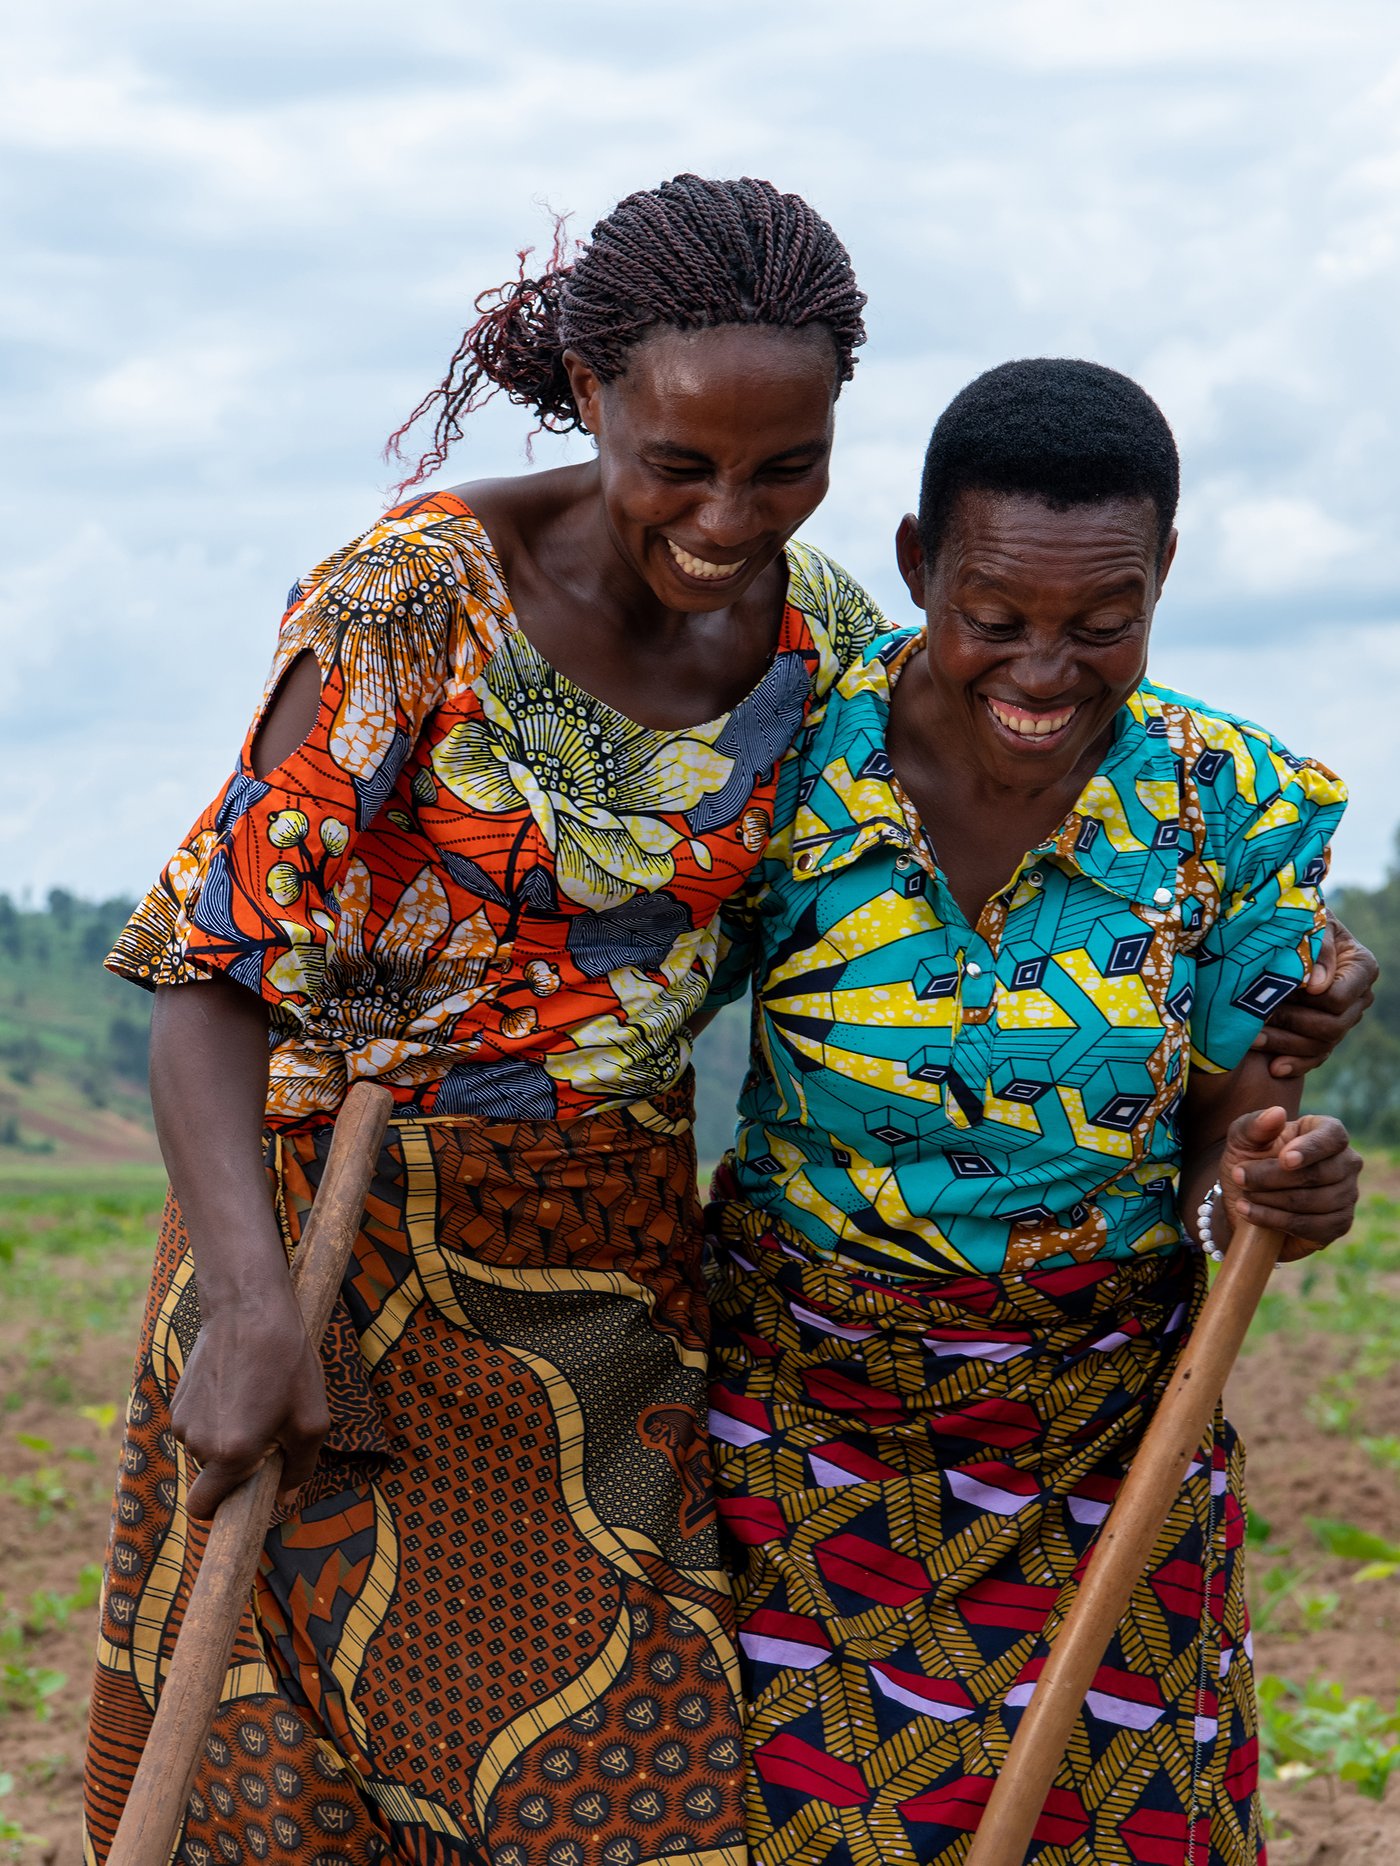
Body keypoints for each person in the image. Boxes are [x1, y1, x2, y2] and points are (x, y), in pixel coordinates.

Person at [85, 175, 887, 1866]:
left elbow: (911, 897)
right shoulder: (415, 599)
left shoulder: (827, 641)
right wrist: (247, 1310)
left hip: (606, 1281)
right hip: (318, 1258)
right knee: (278, 1791)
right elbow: (209, 976)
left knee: (624, 1785)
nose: (730, 513)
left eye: (784, 464)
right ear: (591, 396)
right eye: (680, 459)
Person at [703, 359, 1365, 1865]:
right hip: (799, 1435)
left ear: (1166, 575)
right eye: (995, 617)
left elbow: (1221, 1155)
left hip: (1107, 1433)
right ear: (918, 563)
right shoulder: (783, 764)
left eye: (1103, 623)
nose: (1045, 671)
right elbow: (636, 1013)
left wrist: (1260, 1192)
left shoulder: (1236, 808)